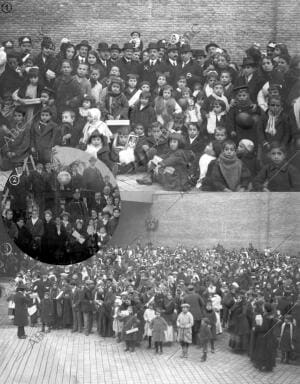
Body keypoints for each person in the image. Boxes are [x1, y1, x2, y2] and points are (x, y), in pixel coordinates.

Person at [251, 302, 278, 372]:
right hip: (270, 336)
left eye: (263, 307)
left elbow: (263, 328)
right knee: (268, 351)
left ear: (265, 309)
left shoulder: (265, 317)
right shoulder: (272, 316)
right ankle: (268, 365)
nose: (262, 308)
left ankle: (262, 365)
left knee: (262, 351)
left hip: (263, 337)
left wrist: (256, 328)